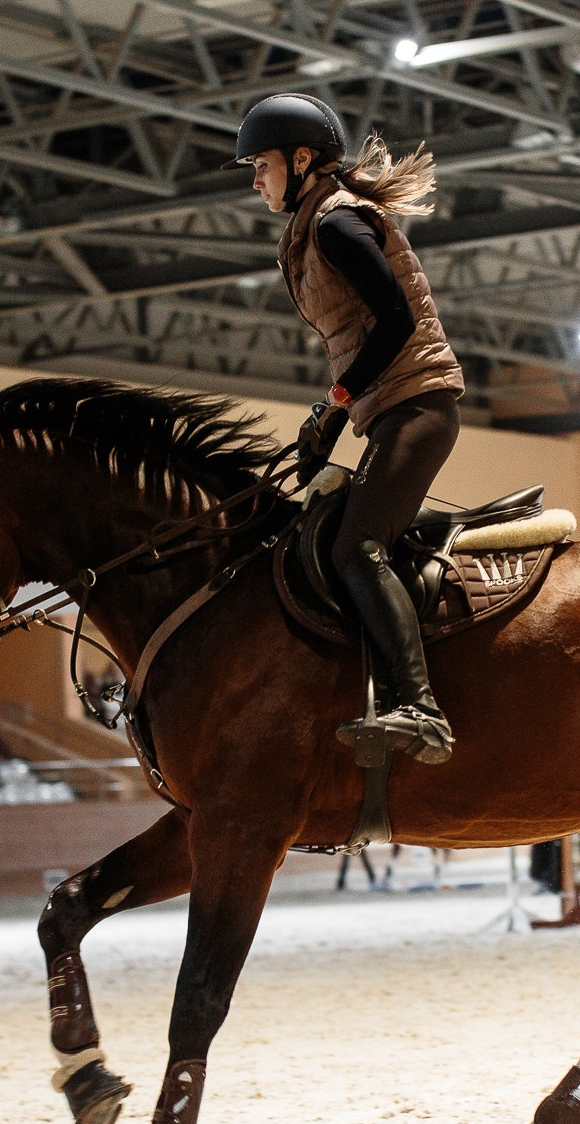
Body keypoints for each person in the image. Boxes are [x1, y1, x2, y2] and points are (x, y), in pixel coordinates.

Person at [237, 93, 465, 765]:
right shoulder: (316, 223)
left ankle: (419, 706)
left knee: (354, 546)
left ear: (301, 160)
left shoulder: (336, 224)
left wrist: (334, 402)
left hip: (418, 407)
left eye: (261, 165)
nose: (255, 179)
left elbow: (394, 321)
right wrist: (330, 419)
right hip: (393, 409)